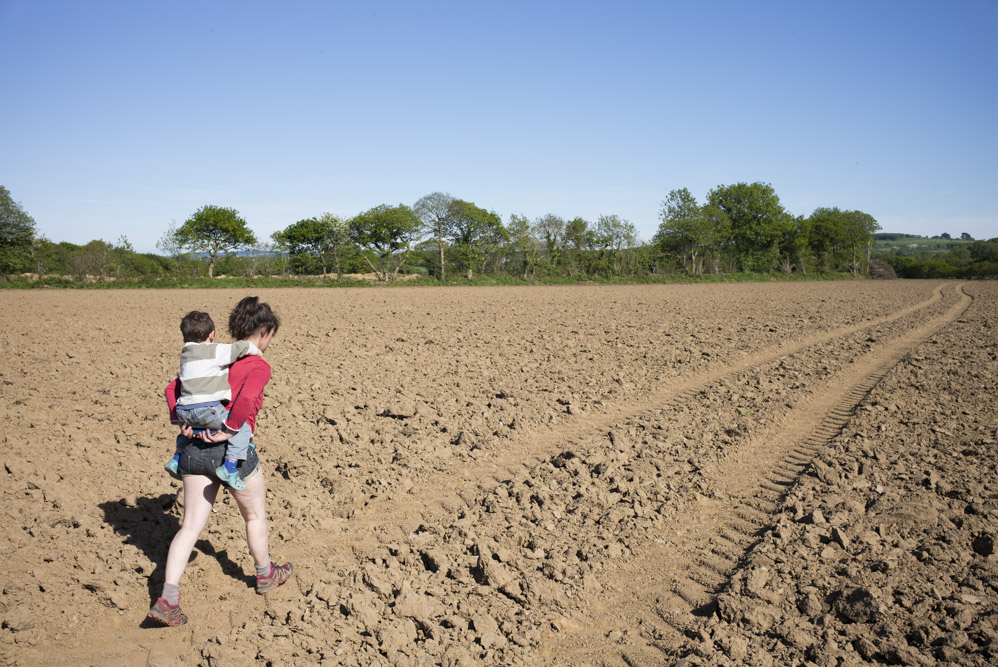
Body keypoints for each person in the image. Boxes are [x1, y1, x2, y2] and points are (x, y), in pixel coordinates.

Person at [147, 296, 293, 627]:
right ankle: (266, 574)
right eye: (271, 335)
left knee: (189, 526)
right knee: (254, 515)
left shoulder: (214, 358)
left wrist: (179, 420)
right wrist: (229, 431)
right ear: (265, 331)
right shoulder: (257, 365)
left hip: (195, 450)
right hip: (231, 453)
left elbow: (173, 387)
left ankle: (168, 598)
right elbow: (245, 401)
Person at [165, 310, 260, 491]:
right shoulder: (213, 349)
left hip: (183, 409)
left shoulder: (185, 354)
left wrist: (177, 419)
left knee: (195, 428)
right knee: (242, 428)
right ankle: (230, 468)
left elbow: (170, 389)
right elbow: (238, 348)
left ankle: (177, 458)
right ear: (212, 335)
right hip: (207, 408)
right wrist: (257, 350)